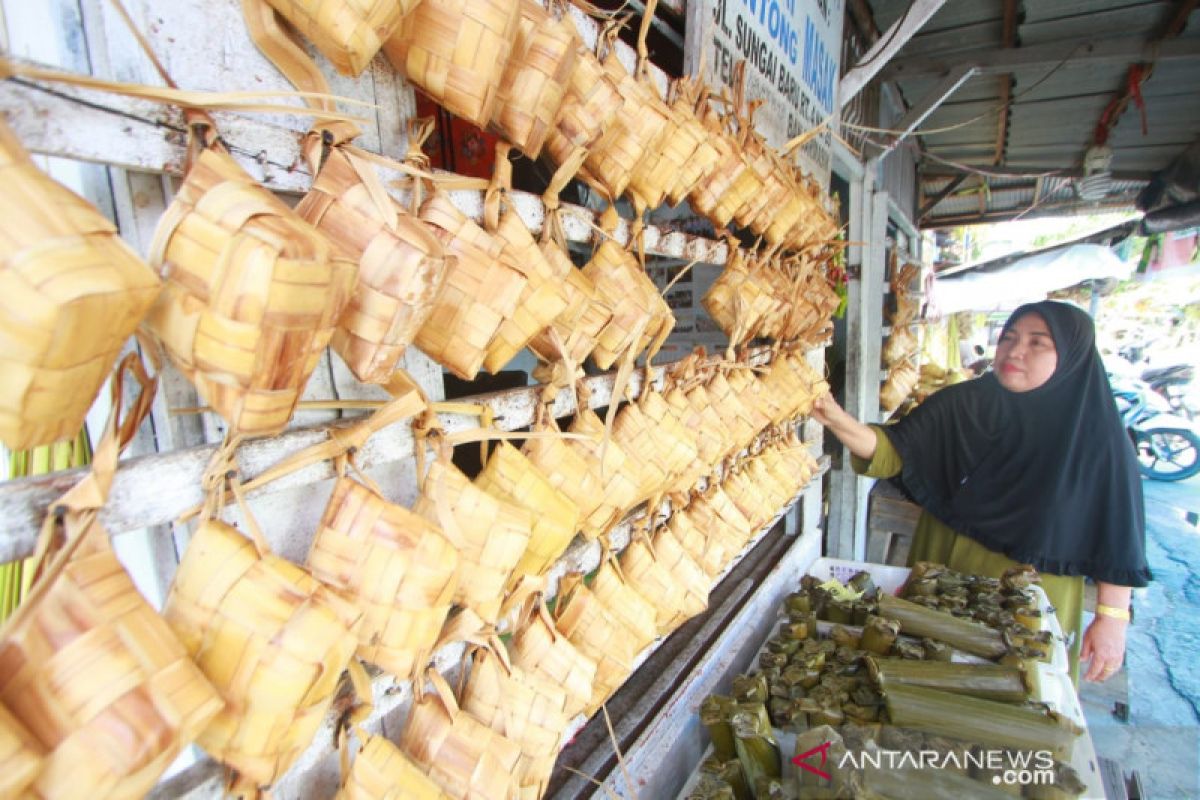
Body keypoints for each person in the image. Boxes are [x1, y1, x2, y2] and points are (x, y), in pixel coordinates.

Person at [813, 301, 1150, 683]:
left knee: (1016, 695)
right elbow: (895, 451)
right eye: (1008, 337)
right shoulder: (963, 404)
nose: (1014, 351)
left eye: (1037, 343)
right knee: (921, 680)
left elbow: (1119, 534)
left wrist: (1112, 620)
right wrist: (835, 418)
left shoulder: (1096, 439)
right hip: (942, 569)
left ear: (1072, 355)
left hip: (1029, 597)